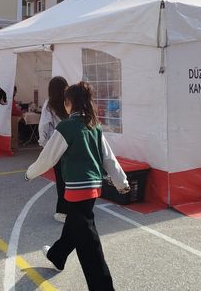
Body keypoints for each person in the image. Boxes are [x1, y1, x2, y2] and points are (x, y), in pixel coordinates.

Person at [25, 81, 130, 291]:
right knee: (75, 224)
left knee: (88, 244)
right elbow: (109, 159)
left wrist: (29, 174)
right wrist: (122, 183)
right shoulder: (94, 126)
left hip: (76, 189)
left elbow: (48, 158)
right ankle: (57, 255)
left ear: (68, 103)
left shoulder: (67, 126)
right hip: (92, 187)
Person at [39, 76, 69, 223]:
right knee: (72, 178)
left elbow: (44, 125)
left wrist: (44, 144)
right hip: (72, 144)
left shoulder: (49, 104)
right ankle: (73, 209)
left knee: (61, 180)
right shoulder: (70, 102)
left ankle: (62, 212)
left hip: (56, 146)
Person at [11, 86, 23, 152]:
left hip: (13, 118)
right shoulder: (10, 99)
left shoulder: (11, 99)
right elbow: (14, 111)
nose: (15, 92)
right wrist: (20, 111)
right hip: (12, 118)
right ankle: (13, 147)